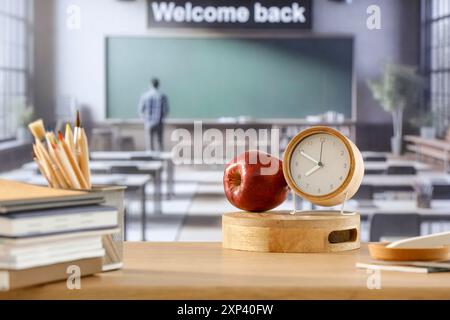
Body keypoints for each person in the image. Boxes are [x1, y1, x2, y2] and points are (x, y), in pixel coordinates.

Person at [138, 78, 169, 151]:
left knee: (149, 144)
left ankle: (150, 160)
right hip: (159, 122)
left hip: (148, 122)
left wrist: (144, 119)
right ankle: (160, 160)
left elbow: (140, 110)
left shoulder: (145, 96)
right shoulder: (162, 96)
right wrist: (163, 118)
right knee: (159, 142)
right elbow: (166, 110)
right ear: (158, 85)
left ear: (150, 85)